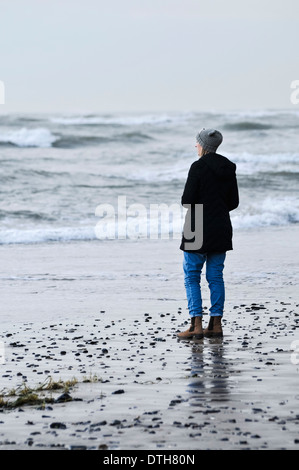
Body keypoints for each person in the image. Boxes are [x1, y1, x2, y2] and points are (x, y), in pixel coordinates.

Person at [177, 128, 239, 340]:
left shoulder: (198, 167)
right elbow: (234, 202)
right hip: (221, 227)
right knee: (215, 277)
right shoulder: (229, 166)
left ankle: (196, 325)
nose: (196, 145)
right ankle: (215, 325)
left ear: (203, 145)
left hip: (197, 227)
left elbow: (187, 200)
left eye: (197, 143)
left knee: (192, 276)